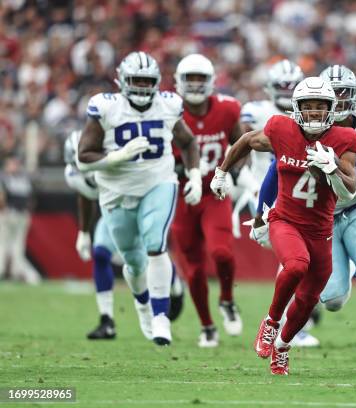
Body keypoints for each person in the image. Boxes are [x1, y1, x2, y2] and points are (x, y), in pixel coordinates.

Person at [254, 65, 356, 371]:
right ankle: (348, 265)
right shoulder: (299, 125)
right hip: (317, 223)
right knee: (334, 299)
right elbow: (276, 172)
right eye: (330, 94)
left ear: (353, 96)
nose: (337, 99)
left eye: (343, 93)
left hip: (355, 210)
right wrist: (262, 212)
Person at [210, 77, 356, 375]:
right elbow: (246, 141)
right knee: (295, 265)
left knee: (307, 301)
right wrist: (221, 172)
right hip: (285, 220)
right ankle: (271, 322)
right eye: (309, 106)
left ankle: (282, 347)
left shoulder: (344, 139)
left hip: (321, 231)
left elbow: (350, 190)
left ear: (332, 109)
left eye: (321, 107)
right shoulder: (282, 129)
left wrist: (331, 170)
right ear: (297, 108)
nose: (315, 112)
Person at [77, 51, 201, 346]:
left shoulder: (168, 105)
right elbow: (83, 158)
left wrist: (194, 174)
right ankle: (143, 305)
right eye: (137, 81)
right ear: (122, 81)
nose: (143, 88)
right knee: (133, 263)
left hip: (158, 183)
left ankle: (161, 317)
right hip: (116, 192)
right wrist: (117, 156)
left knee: (156, 244)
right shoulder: (106, 108)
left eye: (148, 82)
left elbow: (188, 141)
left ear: (157, 82)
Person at [64, 130, 184, 340]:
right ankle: (106, 319)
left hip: (138, 204)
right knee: (102, 254)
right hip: (113, 210)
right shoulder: (74, 175)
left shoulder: (117, 155)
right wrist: (83, 232)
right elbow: (85, 195)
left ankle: (173, 284)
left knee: (153, 249)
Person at [241, 59, 320, 348]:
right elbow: (244, 143)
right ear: (269, 88)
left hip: (301, 193)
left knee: (299, 261)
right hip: (267, 194)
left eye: (291, 87)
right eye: (281, 87)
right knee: (293, 261)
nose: (286, 92)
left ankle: (293, 320)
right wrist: (247, 184)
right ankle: (289, 325)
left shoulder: (312, 114)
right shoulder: (260, 113)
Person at [170, 53, 243, 348]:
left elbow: (240, 144)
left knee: (222, 253)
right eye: (191, 78)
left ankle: (226, 299)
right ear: (179, 82)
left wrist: (239, 173)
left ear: (212, 80)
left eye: (201, 78)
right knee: (194, 268)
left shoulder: (227, 109)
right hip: (181, 195)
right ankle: (207, 326)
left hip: (214, 193)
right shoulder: (169, 110)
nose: (196, 84)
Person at [0, 156, 40, 285]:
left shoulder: (23, 179)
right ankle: (2, 271)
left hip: (21, 215)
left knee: (18, 245)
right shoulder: (4, 178)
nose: (15, 166)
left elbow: (31, 198)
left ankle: (15, 272)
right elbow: (2, 197)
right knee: (3, 244)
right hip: (8, 213)